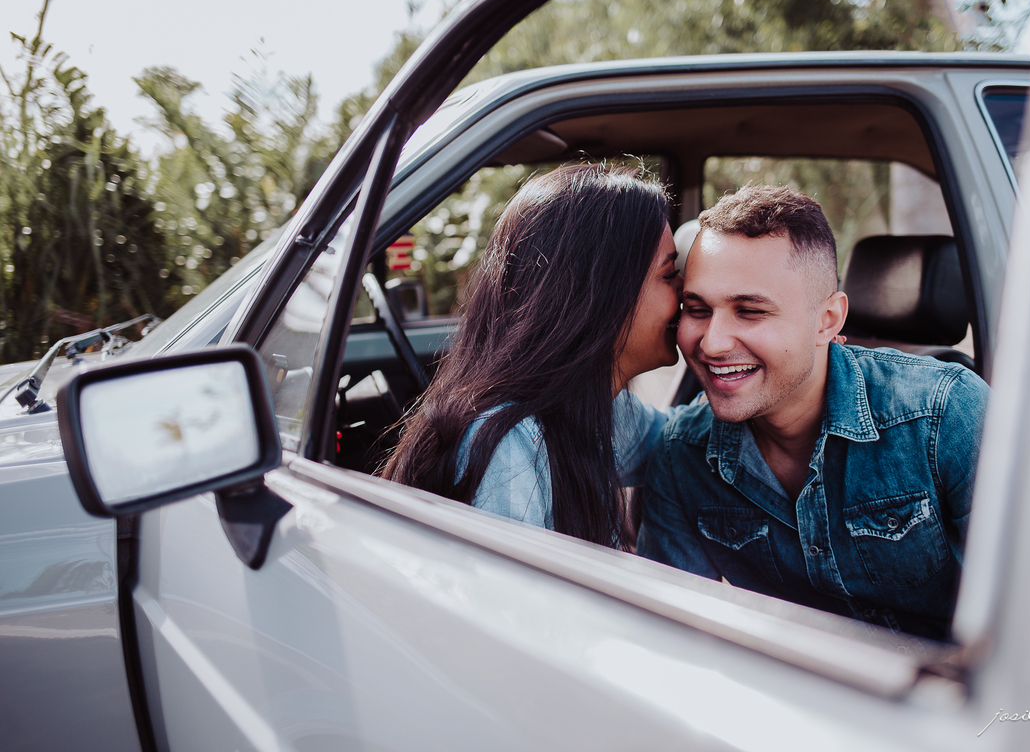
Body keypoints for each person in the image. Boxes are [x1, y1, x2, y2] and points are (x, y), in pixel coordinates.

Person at [637, 185, 990, 640]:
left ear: (827, 320)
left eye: (750, 311)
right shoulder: (680, 455)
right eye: (697, 309)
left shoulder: (945, 415)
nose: (712, 342)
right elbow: (673, 638)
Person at [381, 163, 682, 549]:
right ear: (603, 294)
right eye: (669, 273)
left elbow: (680, 438)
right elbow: (510, 607)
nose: (686, 292)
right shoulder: (511, 449)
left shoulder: (595, 410)